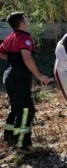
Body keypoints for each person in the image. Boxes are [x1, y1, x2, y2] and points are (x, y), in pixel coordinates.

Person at [0, 11, 50, 154]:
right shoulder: (24, 38)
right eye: (26, 20)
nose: (28, 22)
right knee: (27, 110)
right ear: (21, 24)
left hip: (9, 75)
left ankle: (9, 136)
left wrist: (13, 60)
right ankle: (23, 145)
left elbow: (1, 53)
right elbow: (27, 58)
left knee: (16, 108)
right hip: (19, 77)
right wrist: (40, 75)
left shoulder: (10, 37)